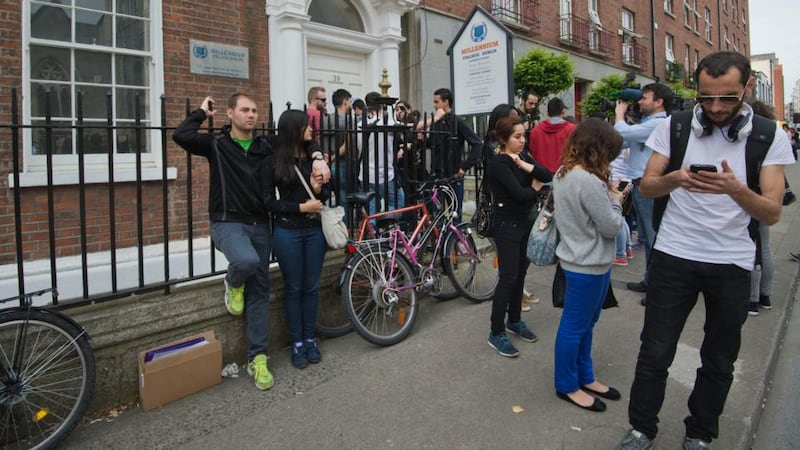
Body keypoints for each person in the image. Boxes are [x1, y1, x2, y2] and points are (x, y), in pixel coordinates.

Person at [617, 51, 795, 450]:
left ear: (746, 88)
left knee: (718, 359)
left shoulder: (768, 135)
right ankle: (642, 428)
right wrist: (676, 178)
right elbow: (646, 186)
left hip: (731, 263)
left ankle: (699, 434)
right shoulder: (675, 127)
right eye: (706, 98)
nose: (715, 107)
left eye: (727, 98)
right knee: (655, 351)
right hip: (674, 256)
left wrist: (736, 189)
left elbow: (771, 213)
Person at [172, 93, 329, 390]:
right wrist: (201, 113)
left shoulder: (264, 145)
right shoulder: (217, 145)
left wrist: (318, 155)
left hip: (259, 224)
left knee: (259, 291)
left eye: (254, 111)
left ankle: (257, 358)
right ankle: (232, 282)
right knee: (246, 262)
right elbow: (181, 135)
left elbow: (300, 137)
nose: (251, 115)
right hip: (228, 222)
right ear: (230, 113)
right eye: (244, 110)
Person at [552, 118, 625, 412]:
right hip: (589, 264)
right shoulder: (589, 181)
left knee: (582, 325)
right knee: (576, 326)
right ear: (599, 149)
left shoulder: (563, 172)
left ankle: (585, 376)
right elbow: (610, 227)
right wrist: (617, 201)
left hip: (575, 259)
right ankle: (567, 385)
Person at [263, 109, 331, 369]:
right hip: (287, 231)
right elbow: (268, 202)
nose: (312, 129)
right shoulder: (275, 160)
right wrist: (301, 208)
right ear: (294, 128)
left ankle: (310, 338)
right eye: (306, 125)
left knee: (311, 287)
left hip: (314, 232)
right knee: (293, 288)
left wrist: (318, 188)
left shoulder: (315, 159)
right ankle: (297, 342)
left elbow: (328, 191)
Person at [485, 116, 552, 358]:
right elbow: (521, 194)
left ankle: (515, 320)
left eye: (524, 135)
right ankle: (496, 331)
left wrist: (525, 167)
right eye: (517, 136)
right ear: (503, 139)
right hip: (507, 226)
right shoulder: (499, 164)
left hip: (525, 224)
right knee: (508, 277)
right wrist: (534, 188)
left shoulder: (521, 158)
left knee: (520, 274)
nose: (523, 140)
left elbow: (547, 174)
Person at [613, 83, 673, 304]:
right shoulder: (648, 124)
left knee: (654, 238)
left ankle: (658, 288)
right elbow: (622, 140)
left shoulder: (659, 123)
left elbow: (623, 133)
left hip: (649, 187)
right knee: (647, 238)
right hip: (640, 186)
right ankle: (650, 281)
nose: (639, 101)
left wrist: (619, 114)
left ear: (658, 102)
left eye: (644, 98)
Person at [417, 88, 482, 220]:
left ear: (446, 102)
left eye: (437, 102)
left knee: (455, 211)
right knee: (433, 210)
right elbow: (434, 143)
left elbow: (477, 143)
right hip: (436, 173)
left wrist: (464, 167)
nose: (434, 105)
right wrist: (423, 141)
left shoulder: (457, 122)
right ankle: (438, 238)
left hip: (453, 173)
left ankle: (455, 239)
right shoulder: (436, 122)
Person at [358, 92, 405, 213]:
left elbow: (358, 151)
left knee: (372, 208)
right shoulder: (388, 123)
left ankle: (373, 230)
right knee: (397, 202)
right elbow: (410, 127)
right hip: (385, 174)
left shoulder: (360, 124)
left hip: (366, 173)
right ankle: (389, 228)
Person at [529, 97, 577, 173]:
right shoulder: (572, 129)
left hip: (542, 176)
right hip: (565, 174)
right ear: (563, 111)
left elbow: (533, 155)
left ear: (547, 112)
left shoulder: (535, 131)